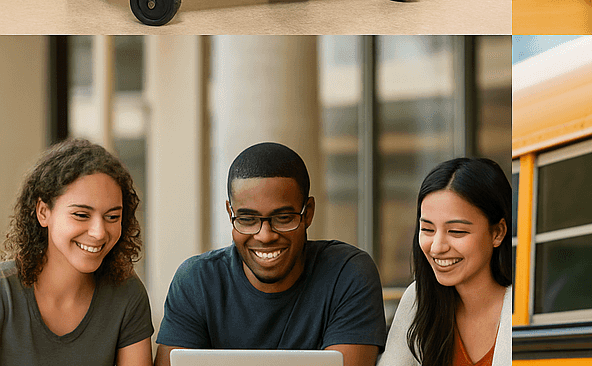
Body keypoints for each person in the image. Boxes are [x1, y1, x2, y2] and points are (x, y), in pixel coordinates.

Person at [155, 142, 386, 366]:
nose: (265, 236)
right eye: (247, 219)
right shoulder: (197, 281)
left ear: (308, 213)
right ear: (230, 213)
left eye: (283, 218)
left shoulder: (347, 274)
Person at [0, 139, 153, 366]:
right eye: (81, 215)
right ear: (43, 212)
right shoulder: (4, 292)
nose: (99, 232)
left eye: (112, 217)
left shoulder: (127, 294)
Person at [379, 158, 512, 366]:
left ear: (497, 232)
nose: (437, 247)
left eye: (457, 231)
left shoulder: (519, 308)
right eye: (427, 230)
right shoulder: (417, 299)